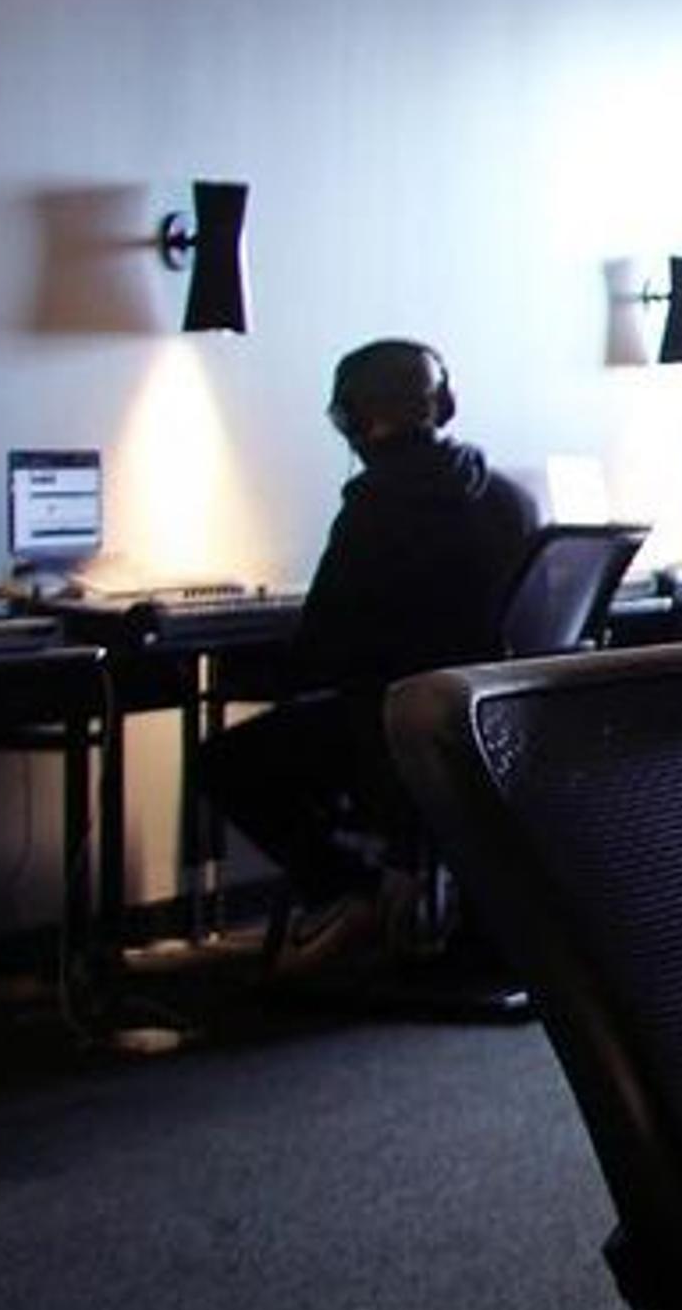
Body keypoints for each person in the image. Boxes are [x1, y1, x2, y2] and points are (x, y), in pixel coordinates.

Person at [201, 338, 540, 968]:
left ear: (352, 420)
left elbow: (321, 652)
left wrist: (228, 673)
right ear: (447, 405)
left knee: (224, 763)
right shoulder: (508, 498)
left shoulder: (377, 507)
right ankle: (399, 891)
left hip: (397, 734)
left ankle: (348, 892)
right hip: (496, 734)